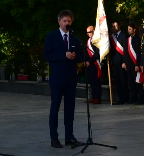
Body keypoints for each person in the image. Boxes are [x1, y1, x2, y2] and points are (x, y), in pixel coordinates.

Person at [42, 10, 82, 148]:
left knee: (70, 107)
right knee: (55, 106)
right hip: (57, 77)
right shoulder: (52, 36)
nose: (67, 23)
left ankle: (69, 136)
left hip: (71, 77)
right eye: (64, 21)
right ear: (59, 22)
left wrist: (74, 56)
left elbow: (81, 56)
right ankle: (54, 138)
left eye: (69, 21)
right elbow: (47, 55)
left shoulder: (74, 38)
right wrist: (63, 55)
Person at [84, 24, 103, 104]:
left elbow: (97, 53)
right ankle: (93, 96)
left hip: (95, 64)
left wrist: (90, 61)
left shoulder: (97, 41)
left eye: (89, 32)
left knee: (96, 81)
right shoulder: (88, 41)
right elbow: (86, 52)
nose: (88, 33)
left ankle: (98, 97)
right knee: (91, 81)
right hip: (89, 64)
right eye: (87, 32)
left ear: (94, 31)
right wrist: (85, 61)